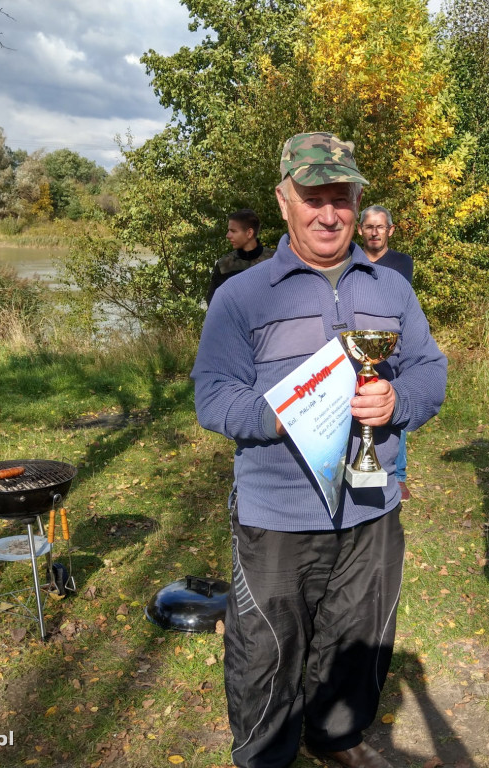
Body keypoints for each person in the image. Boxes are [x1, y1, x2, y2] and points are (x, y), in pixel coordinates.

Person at [192, 132, 447, 768]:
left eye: (341, 198)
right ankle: (265, 755)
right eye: (313, 198)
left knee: (359, 636)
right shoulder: (242, 296)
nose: (328, 213)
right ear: (284, 201)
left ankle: (336, 738)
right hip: (277, 513)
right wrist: (281, 415)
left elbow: (429, 372)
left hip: (371, 506)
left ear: (359, 202)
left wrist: (397, 403)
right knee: (266, 650)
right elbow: (212, 398)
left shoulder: (391, 290)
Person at [358, 205, 414, 501]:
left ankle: (399, 474)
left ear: (390, 230)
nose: (375, 232)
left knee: (392, 404)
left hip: (391, 348)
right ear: (360, 230)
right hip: (355, 346)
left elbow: (398, 302)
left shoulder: (402, 263)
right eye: (369, 226)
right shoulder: (348, 260)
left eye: (380, 226)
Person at [206, 208, 274, 305]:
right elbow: (213, 303)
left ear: (249, 233)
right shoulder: (224, 266)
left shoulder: (275, 260)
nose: (228, 235)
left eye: (233, 231)